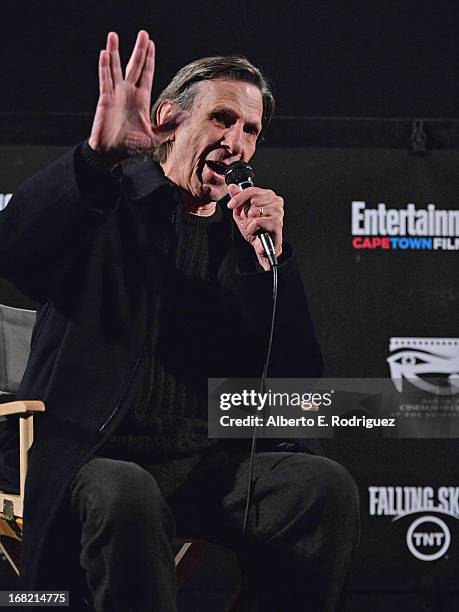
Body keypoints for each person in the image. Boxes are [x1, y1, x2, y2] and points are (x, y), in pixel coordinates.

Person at [0, 30, 359, 611]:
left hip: (204, 465)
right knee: (127, 492)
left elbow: (295, 381)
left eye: (250, 131)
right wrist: (95, 160)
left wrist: (273, 263)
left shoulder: (246, 239)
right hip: (96, 456)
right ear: (168, 118)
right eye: (222, 119)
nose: (236, 143)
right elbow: (14, 251)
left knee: (322, 490)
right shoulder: (103, 200)